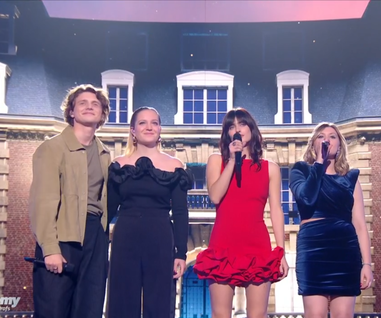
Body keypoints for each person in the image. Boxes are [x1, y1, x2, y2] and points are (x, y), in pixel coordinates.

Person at [193, 108, 289, 318]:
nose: (237, 130)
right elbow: (215, 196)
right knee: (221, 314)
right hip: (223, 245)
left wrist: (280, 250)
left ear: (251, 129)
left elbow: (276, 210)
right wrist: (231, 161)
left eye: (242, 124)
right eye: (231, 126)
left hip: (257, 246)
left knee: (257, 314)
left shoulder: (270, 168)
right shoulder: (216, 161)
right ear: (227, 134)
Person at [29, 84, 111, 318]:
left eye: (95, 104)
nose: (89, 106)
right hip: (63, 237)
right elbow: (42, 202)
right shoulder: (52, 148)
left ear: (102, 114)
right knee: (53, 310)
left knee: (90, 309)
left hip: (96, 237)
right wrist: (50, 249)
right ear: (72, 112)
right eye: (82, 103)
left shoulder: (105, 155)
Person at [107, 106, 193, 318]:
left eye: (154, 122)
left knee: (160, 301)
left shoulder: (175, 166)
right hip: (125, 237)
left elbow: (181, 213)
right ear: (133, 130)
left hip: (161, 238)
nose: (149, 127)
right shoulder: (119, 165)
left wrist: (180, 253)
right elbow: (108, 210)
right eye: (143, 122)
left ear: (160, 129)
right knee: (123, 300)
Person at [289, 122, 373, 318]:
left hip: (345, 252)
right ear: (313, 145)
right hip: (313, 251)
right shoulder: (300, 170)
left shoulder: (350, 178)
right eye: (321, 136)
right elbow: (307, 198)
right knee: (315, 314)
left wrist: (367, 265)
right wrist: (319, 162)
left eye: (332, 136)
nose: (327, 139)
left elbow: (360, 224)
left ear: (340, 145)